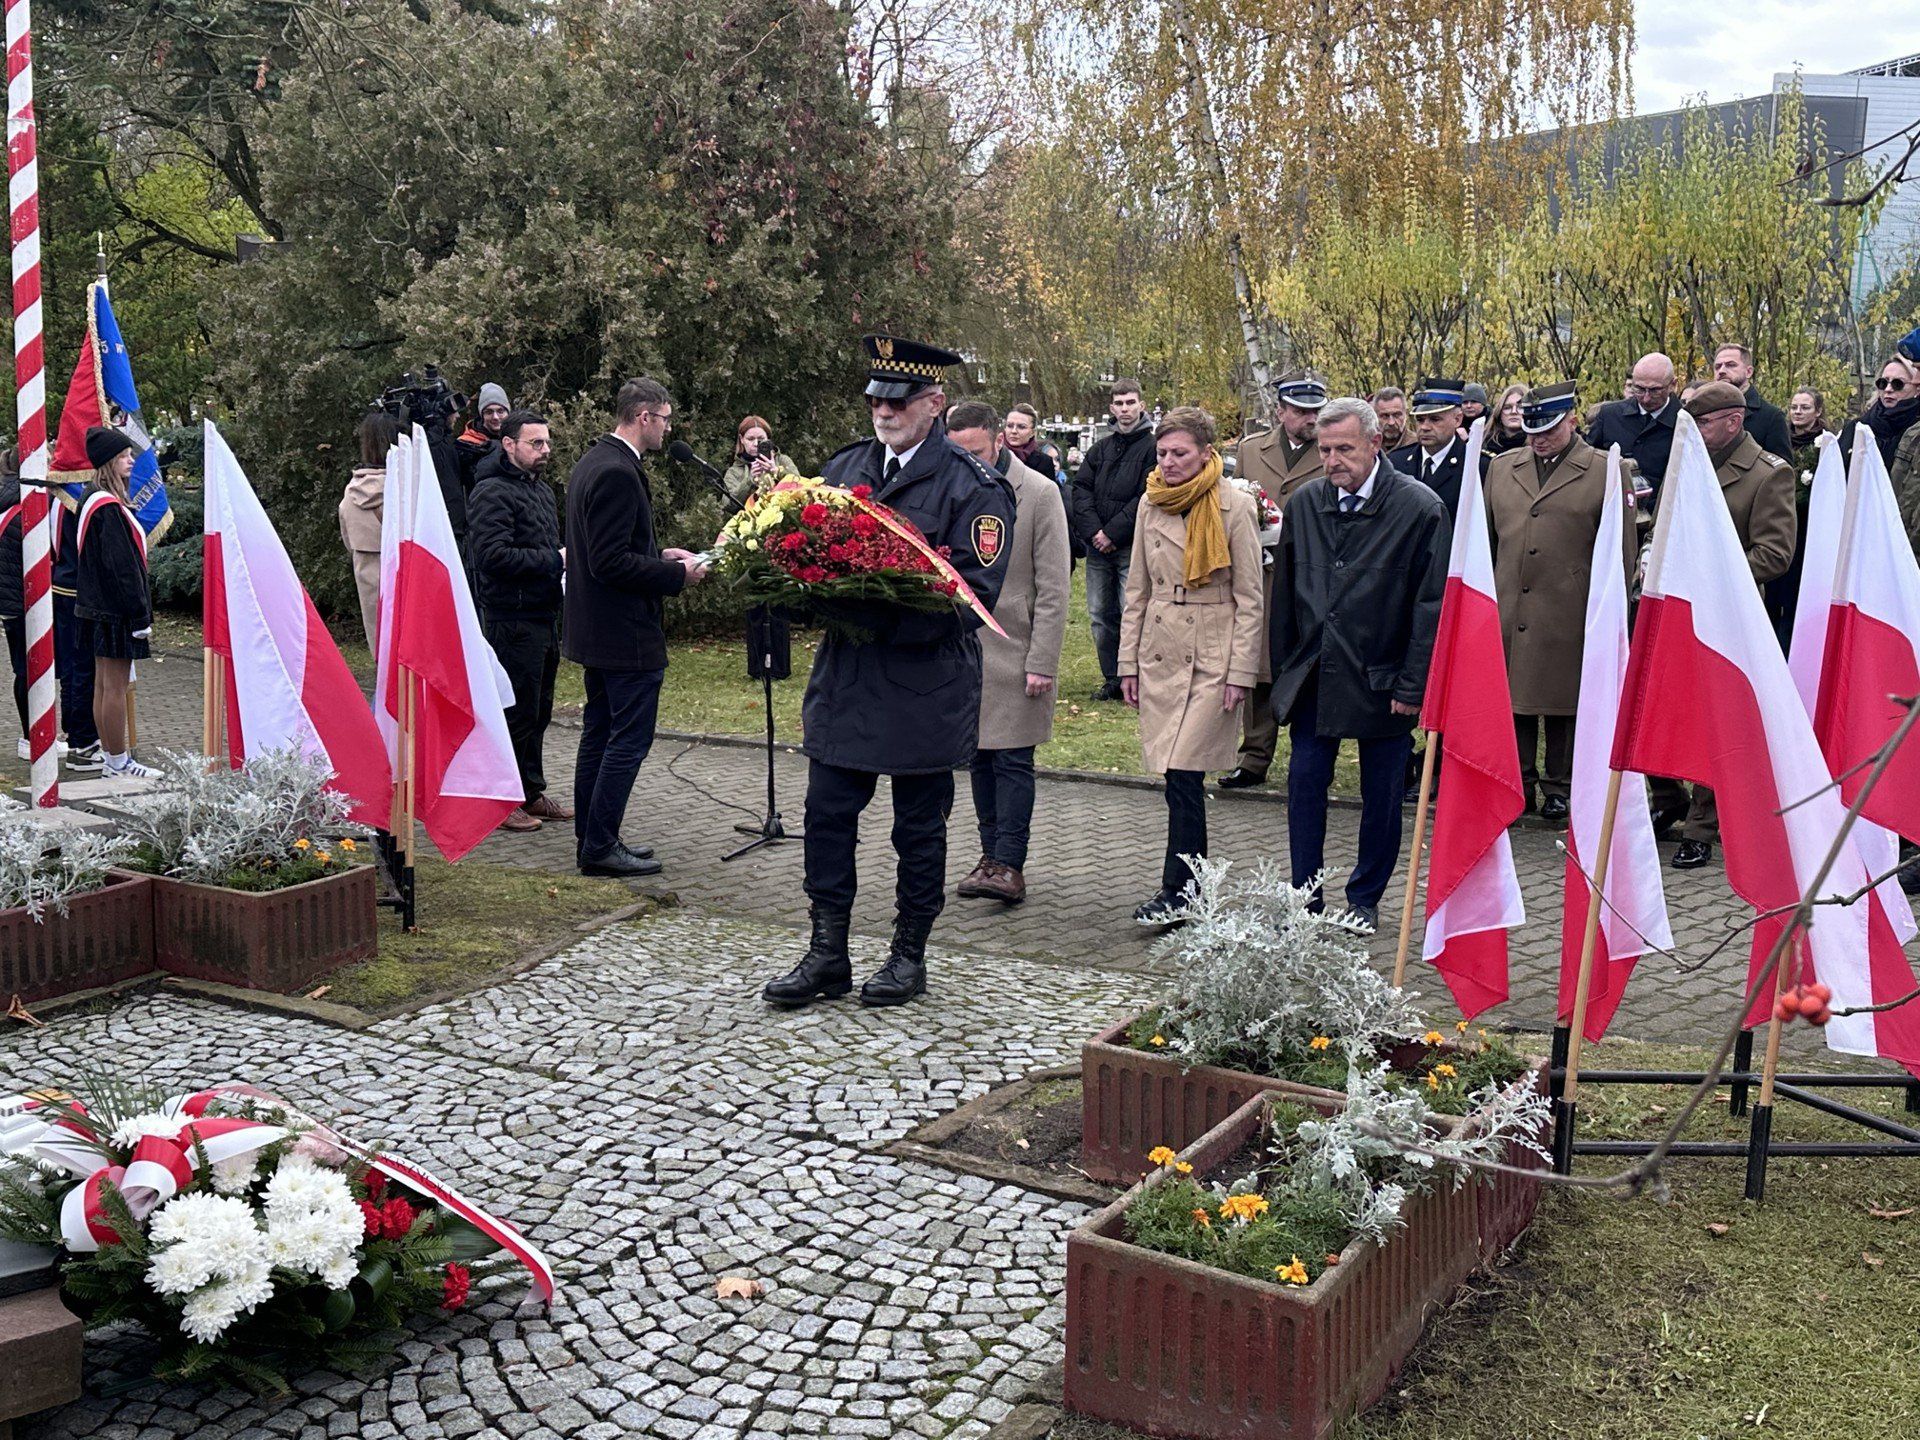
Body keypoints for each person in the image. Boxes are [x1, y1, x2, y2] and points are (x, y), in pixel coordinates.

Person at [761, 336, 1014, 1011]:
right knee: (826, 816)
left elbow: (972, 598)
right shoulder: (843, 468)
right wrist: (801, 591)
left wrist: (876, 614)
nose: (883, 411)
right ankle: (827, 953)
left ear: (935, 403)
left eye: (898, 401)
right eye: (876, 399)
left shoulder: (975, 487)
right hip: (847, 679)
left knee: (918, 829)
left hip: (924, 687)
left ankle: (908, 955)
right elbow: (807, 553)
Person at [1268, 397, 1448, 933]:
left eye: (1344, 449)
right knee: (1304, 785)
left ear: (1375, 443)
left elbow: (1431, 606)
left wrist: (1412, 685)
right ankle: (1304, 897)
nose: (1332, 461)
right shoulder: (1306, 503)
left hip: (1383, 677)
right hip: (1316, 673)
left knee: (1382, 795)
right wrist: (1286, 672)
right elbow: (1286, 600)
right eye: (1324, 450)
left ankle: (1364, 898)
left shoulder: (1419, 508)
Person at [1118, 407, 1264, 924]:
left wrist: (1241, 672)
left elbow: (1250, 597)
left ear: (1206, 453)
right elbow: (1136, 589)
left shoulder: (1234, 504)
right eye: (1162, 452)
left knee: (1184, 771)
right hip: (1160, 646)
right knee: (1176, 776)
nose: (1169, 462)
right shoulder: (1150, 501)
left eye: (1180, 453)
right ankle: (1186, 890)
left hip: (1212, 653)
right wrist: (1127, 663)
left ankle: (1179, 891)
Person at [562, 378, 709, 877]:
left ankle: (593, 838)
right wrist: (677, 575)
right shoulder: (616, 471)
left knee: (600, 734)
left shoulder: (594, 461)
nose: (668, 429)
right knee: (625, 740)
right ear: (644, 416)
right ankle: (599, 845)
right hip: (623, 634)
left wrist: (658, 554)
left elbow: (609, 548)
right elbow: (607, 562)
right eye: (664, 419)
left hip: (598, 630)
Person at [1658, 382, 1797, 870]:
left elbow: (1774, 553)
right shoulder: (1687, 461)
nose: (1692, 429)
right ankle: (1667, 798)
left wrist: (1710, 570)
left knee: (1716, 721)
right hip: (1677, 608)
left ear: (1734, 421)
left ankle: (1701, 828)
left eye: (1702, 422)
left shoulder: (1768, 473)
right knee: (1666, 707)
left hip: (1728, 617)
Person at [1486, 381, 1638, 822]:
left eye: (1549, 430)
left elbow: (1622, 549)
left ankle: (1560, 784)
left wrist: (1610, 608)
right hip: (1511, 602)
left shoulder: (1606, 469)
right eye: (1532, 431)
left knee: (1564, 703)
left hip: (1571, 606)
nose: (1539, 439)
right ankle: (1517, 782)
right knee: (1512, 699)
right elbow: (1489, 538)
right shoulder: (1501, 468)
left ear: (1572, 420)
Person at [946, 402, 1071, 905]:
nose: (967, 462)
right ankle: (989, 857)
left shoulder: (1039, 492)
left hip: (1017, 649)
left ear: (999, 440)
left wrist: (1042, 660)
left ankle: (1009, 864)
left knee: (1013, 760)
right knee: (978, 757)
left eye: (975, 452)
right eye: (957, 453)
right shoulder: (951, 487)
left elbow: (1055, 586)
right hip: (965, 648)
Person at [1218, 368, 1327, 790]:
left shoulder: (1331, 449)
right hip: (1261, 571)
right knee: (1259, 663)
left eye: (1315, 410)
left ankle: (1310, 758)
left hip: (1311, 573)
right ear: (1280, 412)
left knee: (1307, 665)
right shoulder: (1252, 449)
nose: (1310, 418)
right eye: (1300, 410)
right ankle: (1254, 756)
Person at [469, 409, 570, 835]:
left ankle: (530, 790)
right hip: (511, 618)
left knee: (539, 710)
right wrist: (554, 560)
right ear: (509, 444)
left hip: (544, 613)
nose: (544, 450)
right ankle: (500, 800)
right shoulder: (491, 491)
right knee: (514, 711)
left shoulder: (541, 490)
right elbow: (491, 556)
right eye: (535, 443)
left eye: (546, 442)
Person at [73, 427, 154, 780]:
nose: (131, 461)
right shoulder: (106, 507)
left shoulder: (91, 499)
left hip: (97, 605)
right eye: (124, 456)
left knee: (104, 685)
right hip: (116, 609)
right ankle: (119, 761)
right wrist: (139, 614)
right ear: (109, 462)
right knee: (114, 687)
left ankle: (111, 758)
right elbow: (122, 567)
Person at [1070, 380, 1156, 700]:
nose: (1125, 409)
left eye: (1130, 402)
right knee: (1099, 615)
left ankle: (1136, 677)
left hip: (1129, 546)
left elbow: (1146, 495)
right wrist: (1095, 532)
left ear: (1141, 405)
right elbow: (1081, 489)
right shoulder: (1101, 448)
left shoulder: (1152, 448)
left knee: (1131, 612)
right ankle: (1112, 679)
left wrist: (1112, 533)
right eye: (1119, 403)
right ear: (1111, 408)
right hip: (1098, 549)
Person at [1767, 389, 1837, 647]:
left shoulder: (1825, 443)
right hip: (1780, 521)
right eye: (1794, 407)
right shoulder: (1779, 437)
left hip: (1808, 526)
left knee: (1795, 591)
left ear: (1818, 411)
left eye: (1805, 407)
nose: (1797, 412)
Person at [340, 409, 403, 651]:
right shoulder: (403, 488)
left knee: (382, 646)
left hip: (367, 576)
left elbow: (348, 540)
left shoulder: (350, 493)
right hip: (402, 573)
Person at [1587, 352, 1680, 506]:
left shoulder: (1685, 424)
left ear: (1673, 385)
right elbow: (1588, 462)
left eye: (1655, 390)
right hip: (1614, 510)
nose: (1646, 398)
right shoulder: (1609, 415)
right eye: (1639, 389)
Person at [1390, 377, 1484, 524]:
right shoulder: (1396, 462)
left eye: (1435, 419)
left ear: (1457, 420)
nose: (1425, 427)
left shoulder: (1476, 465)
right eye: (1420, 420)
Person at [0, 449, 32, 751]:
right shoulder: (26, 510)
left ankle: (30, 736)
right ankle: (31, 738)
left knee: (23, 669)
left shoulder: (6, 502)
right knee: (28, 670)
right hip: (24, 602)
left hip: (10, 603)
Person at [1712, 342, 1792, 461]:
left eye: (1731, 365)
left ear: (1749, 372)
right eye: (1717, 367)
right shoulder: (1706, 411)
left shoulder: (1771, 417)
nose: (1722, 371)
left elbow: (1782, 468)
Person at [1847, 354, 1920, 471]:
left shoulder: (1916, 431)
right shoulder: (1857, 427)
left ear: (1917, 387)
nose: (1888, 389)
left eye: (1898, 384)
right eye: (1883, 383)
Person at [722, 415, 794, 503]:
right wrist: (749, 481)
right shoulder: (734, 472)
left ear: (768, 439)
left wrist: (776, 472)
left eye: (761, 439)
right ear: (742, 439)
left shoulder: (782, 461)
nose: (756, 444)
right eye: (750, 439)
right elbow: (727, 504)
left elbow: (801, 486)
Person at [453, 382, 509, 495]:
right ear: (481, 415)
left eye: (500, 411)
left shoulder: (518, 440)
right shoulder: (465, 446)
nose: (495, 417)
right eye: (489, 412)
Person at [1001, 404, 1060, 487]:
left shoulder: (1044, 462)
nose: (1014, 431)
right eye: (1010, 426)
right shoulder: (994, 455)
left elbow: (1049, 492)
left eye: (1021, 427)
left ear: (1032, 432)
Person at [1484, 384, 1528, 457]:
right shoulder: (1483, 444)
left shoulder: (1539, 448)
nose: (1514, 412)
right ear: (1499, 412)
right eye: (1507, 408)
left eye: (1520, 407)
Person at [1369, 386, 1410, 452]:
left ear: (1406, 414)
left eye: (1396, 415)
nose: (1391, 422)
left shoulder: (1418, 445)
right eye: (1385, 416)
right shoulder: (1366, 445)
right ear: (1374, 416)